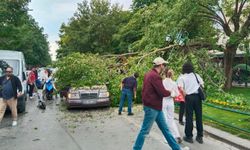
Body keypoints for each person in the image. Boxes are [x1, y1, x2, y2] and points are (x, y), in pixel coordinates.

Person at [133, 57, 188, 150]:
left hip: (155, 107)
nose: (164, 67)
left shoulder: (148, 74)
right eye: (164, 65)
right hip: (152, 108)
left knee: (166, 130)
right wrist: (171, 93)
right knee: (145, 131)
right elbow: (162, 92)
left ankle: (177, 148)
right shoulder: (155, 76)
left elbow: (145, 91)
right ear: (161, 65)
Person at [179, 62, 204, 144]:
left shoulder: (182, 77)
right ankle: (200, 136)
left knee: (189, 117)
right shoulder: (196, 75)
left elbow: (181, 88)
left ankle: (189, 136)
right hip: (197, 97)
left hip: (189, 97)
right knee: (199, 116)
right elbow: (202, 84)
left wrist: (185, 94)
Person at [162, 69, 182, 144]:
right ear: (171, 75)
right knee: (171, 119)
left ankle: (166, 138)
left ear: (164, 74)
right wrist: (172, 93)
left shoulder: (162, 82)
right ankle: (176, 135)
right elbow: (177, 94)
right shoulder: (174, 83)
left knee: (165, 120)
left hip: (163, 101)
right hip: (171, 102)